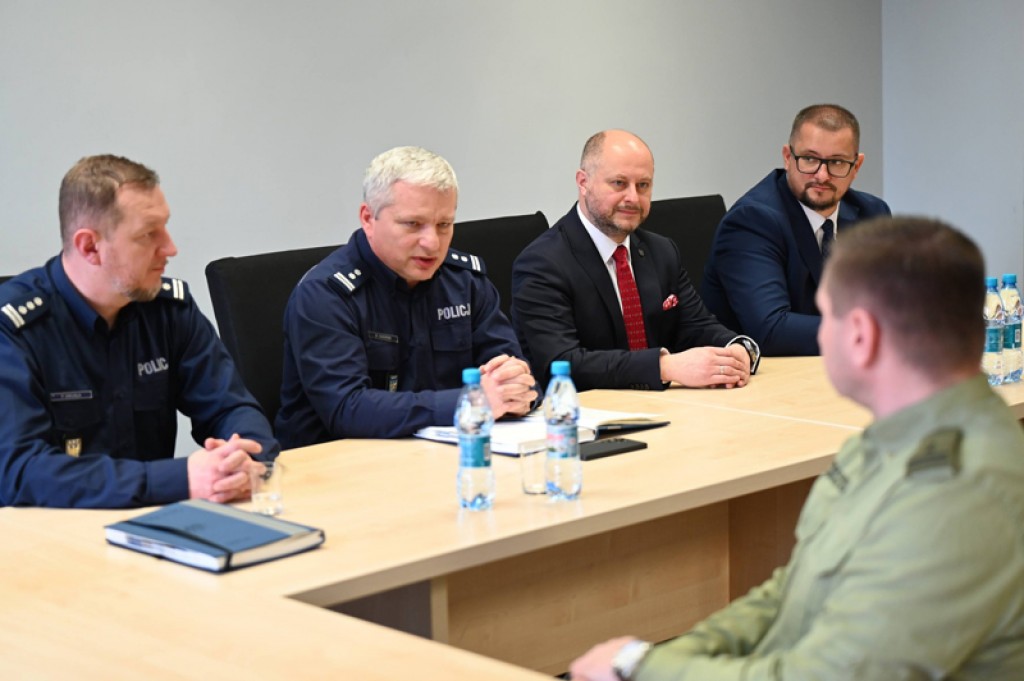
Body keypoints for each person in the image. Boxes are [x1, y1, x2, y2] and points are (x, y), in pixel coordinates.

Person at [570, 216, 1024, 680]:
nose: (822, 335)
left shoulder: (961, 489)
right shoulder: (892, 439)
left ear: (862, 336)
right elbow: (794, 590)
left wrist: (645, 669)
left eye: (828, 317)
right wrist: (657, 659)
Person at [0, 155, 278, 509]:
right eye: (149, 234)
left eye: (165, 227)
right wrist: (181, 479)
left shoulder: (169, 310)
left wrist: (243, 458)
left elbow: (230, 407)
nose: (171, 248)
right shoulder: (14, 329)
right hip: (52, 530)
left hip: (157, 520)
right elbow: (20, 471)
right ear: (90, 247)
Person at [275, 146, 537, 447]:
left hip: (443, 454)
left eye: (444, 225)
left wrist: (518, 389)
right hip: (337, 464)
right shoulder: (326, 294)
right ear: (368, 218)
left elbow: (518, 376)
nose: (432, 243)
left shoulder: (465, 281)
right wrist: (472, 401)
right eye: (413, 224)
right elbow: (347, 409)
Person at [511, 129, 759, 391]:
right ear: (583, 182)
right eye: (619, 183)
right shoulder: (542, 263)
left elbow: (697, 326)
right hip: (587, 410)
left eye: (643, 185)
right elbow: (562, 362)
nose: (632, 198)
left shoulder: (662, 251)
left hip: (663, 405)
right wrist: (664, 367)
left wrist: (737, 349)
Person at [701, 104, 891, 356]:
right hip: (763, 373)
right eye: (810, 159)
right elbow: (771, 329)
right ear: (788, 157)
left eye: (836, 162)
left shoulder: (871, 214)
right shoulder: (752, 221)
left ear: (856, 167)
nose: (822, 175)